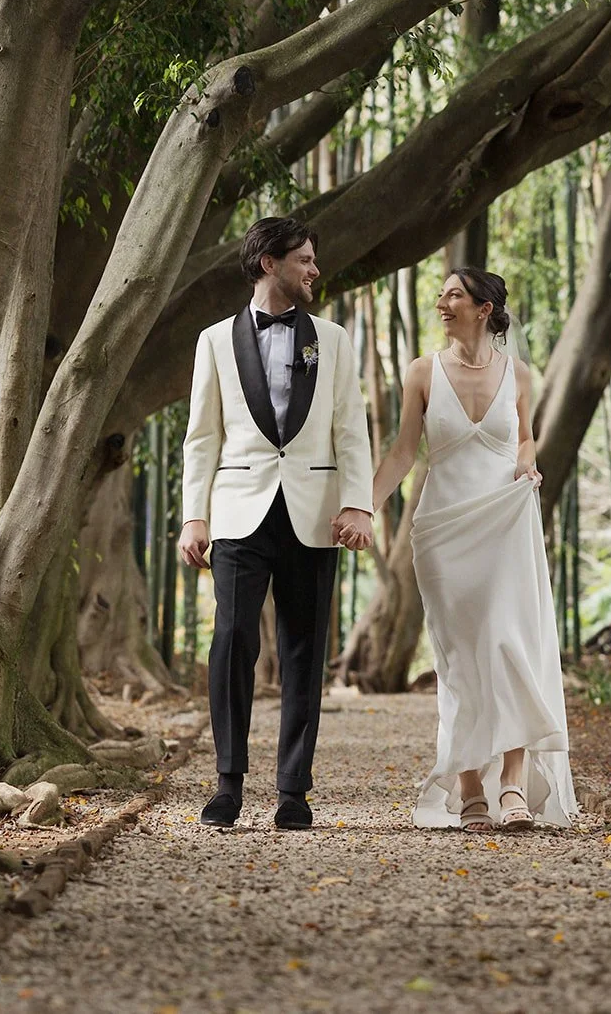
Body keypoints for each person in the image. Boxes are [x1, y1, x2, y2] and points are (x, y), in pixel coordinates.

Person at [178, 217, 374, 831]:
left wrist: (358, 502)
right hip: (239, 512)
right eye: (305, 260)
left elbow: (351, 429)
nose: (315, 270)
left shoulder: (333, 340)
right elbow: (201, 437)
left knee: (304, 652)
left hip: (316, 514)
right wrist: (194, 515)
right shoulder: (214, 341)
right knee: (233, 642)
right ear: (270, 263)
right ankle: (227, 784)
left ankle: (293, 790)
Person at [369, 267, 576, 833]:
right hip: (444, 529)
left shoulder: (520, 374)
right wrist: (362, 507)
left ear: (484, 308)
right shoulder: (422, 373)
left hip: (506, 519)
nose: (442, 302)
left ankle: (511, 787)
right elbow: (402, 454)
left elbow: (525, 436)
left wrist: (527, 460)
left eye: (453, 294)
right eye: (441, 294)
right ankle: (468, 789)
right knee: (459, 657)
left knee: (510, 646)